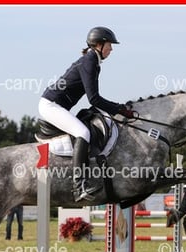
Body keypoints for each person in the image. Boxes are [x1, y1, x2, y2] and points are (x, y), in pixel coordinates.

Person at [39, 26, 136, 202]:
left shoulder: (93, 61)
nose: (111, 49)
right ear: (99, 44)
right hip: (50, 105)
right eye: (109, 45)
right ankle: (78, 186)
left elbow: (94, 99)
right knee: (83, 132)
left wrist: (117, 108)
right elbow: (94, 99)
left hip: (56, 105)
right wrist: (119, 109)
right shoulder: (89, 61)